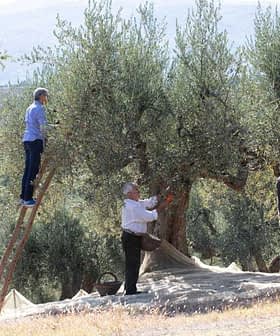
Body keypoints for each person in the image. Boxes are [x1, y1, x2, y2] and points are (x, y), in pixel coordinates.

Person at [121, 182, 173, 295]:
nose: (139, 192)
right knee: (132, 263)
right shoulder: (132, 207)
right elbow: (150, 216)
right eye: (136, 190)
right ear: (130, 193)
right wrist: (162, 206)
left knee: (133, 263)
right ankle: (130, 290)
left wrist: (161, 195)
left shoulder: (134, 203)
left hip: (132, 236)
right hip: (131, 237)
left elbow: (148, 203)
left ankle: (129, 287)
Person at [20, 88, 49, 207]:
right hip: (35, 140)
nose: (46, 98)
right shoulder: (40, 108)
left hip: (27, 140)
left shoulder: (30, 107)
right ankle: (28, 199)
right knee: (33, 170)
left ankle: (23, 197)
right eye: (45, 96)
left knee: (28, 169)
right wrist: (45, 139)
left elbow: (34, 124)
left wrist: (52, 126)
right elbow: (43, 127)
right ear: (41, 96)